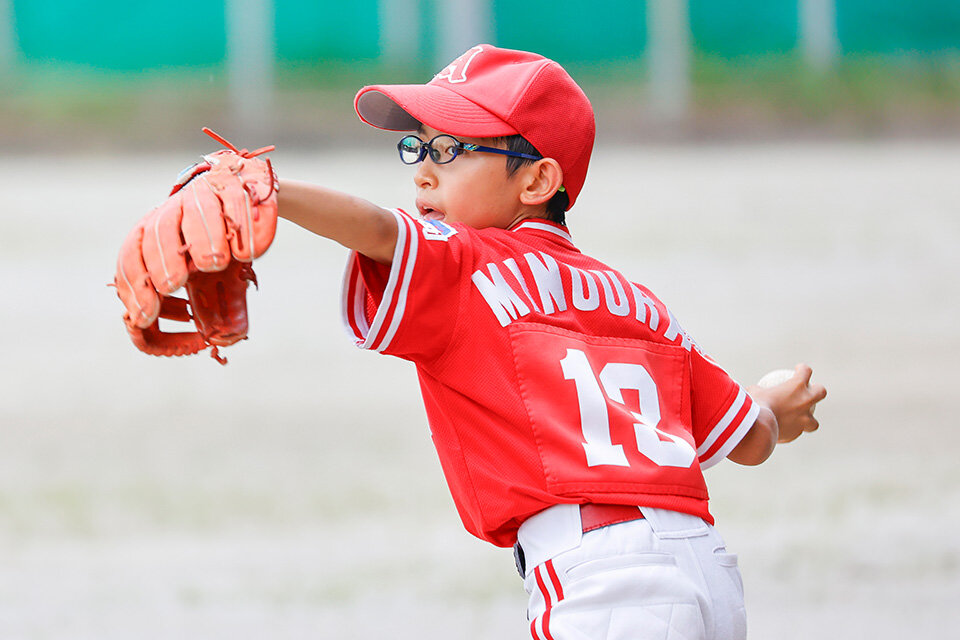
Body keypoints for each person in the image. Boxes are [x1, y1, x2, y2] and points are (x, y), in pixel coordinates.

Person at [231, 44, 828, 639]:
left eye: (451, 149)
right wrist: (772, 401)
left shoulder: (465, 262)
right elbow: (750, 438)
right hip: (707, 571)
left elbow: (380, 229)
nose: (423, 171)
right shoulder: (639, 304)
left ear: (539, 179)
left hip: (603, 584)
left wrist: (268, 191)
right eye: (418, 146)